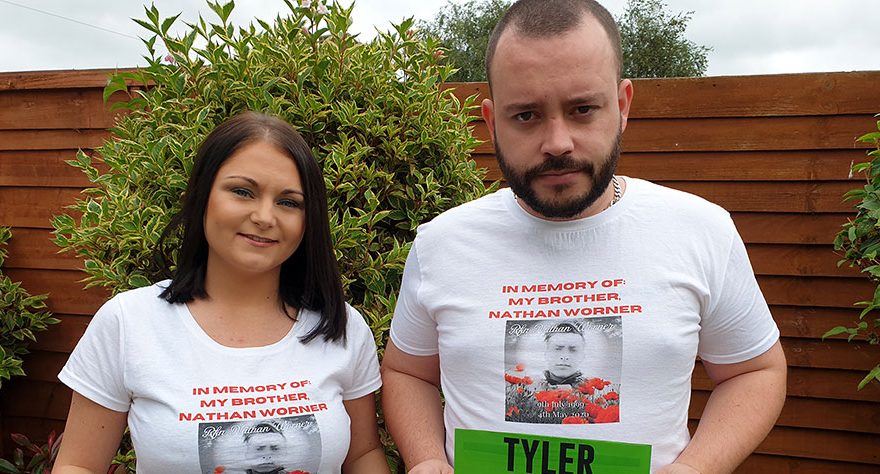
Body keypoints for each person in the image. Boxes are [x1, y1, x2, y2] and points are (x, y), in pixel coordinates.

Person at [380, 0, 787, 472]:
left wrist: (695, 469)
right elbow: (409, 372)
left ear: (622, 106)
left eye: (582, 109)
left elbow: (755, 371)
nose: (557, 142)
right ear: (492, 123)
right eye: (526, 115)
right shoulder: (442, 243)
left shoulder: (701, 230)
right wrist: (426, 459)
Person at [53, 112, 390, 474]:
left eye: (289, 202)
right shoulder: (129, 322)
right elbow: (78, 465)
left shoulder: (341, 326)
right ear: (203, 195)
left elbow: (362, 456)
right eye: (242, 191)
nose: (264, 216)